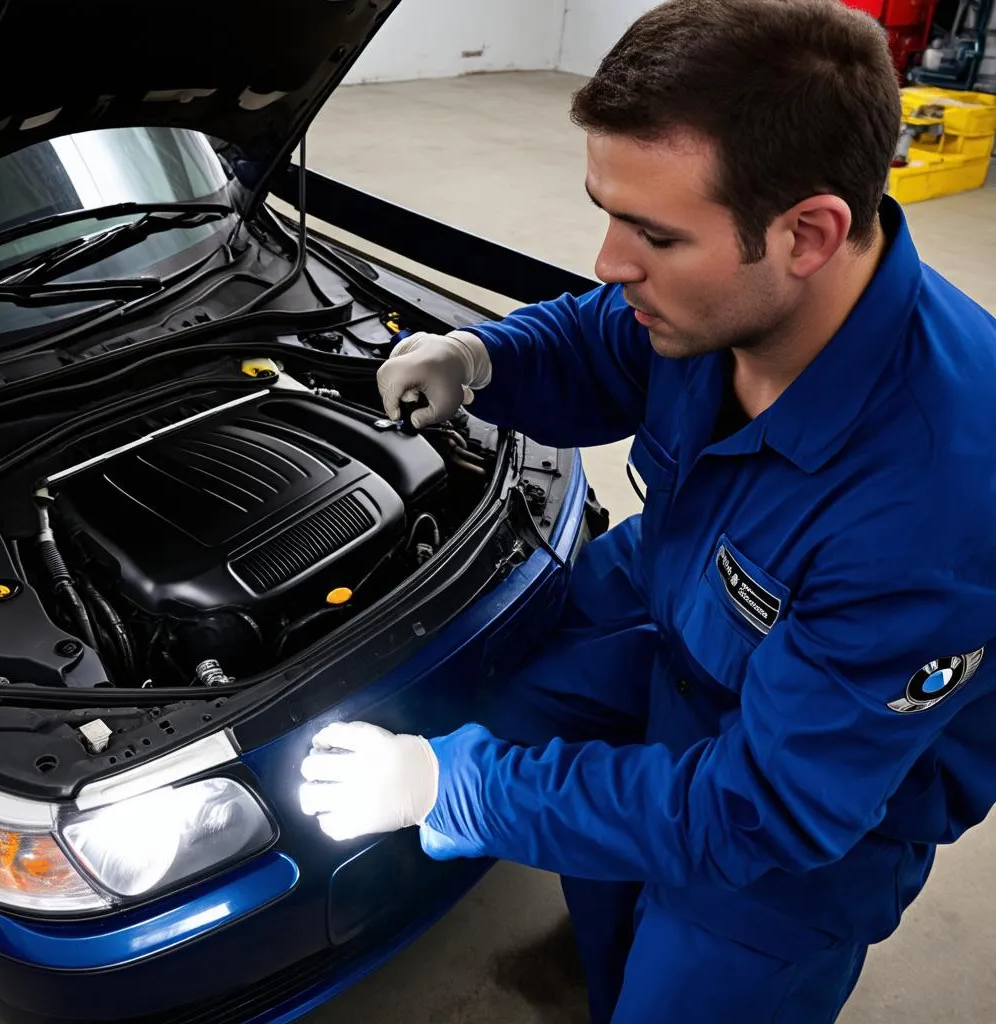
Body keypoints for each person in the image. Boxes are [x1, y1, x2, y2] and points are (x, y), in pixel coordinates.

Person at [298, 0, 996, 1020]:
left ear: (809, 233)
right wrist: (482, 357)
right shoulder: (723, 301)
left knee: (684, 987)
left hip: (810, 818)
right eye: (607, 211)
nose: (608, 261)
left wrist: (456, 791)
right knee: (594, 889)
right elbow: (595, 338)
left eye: (654, 233)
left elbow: (762, 811)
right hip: (674, 626)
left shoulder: (935, 504)